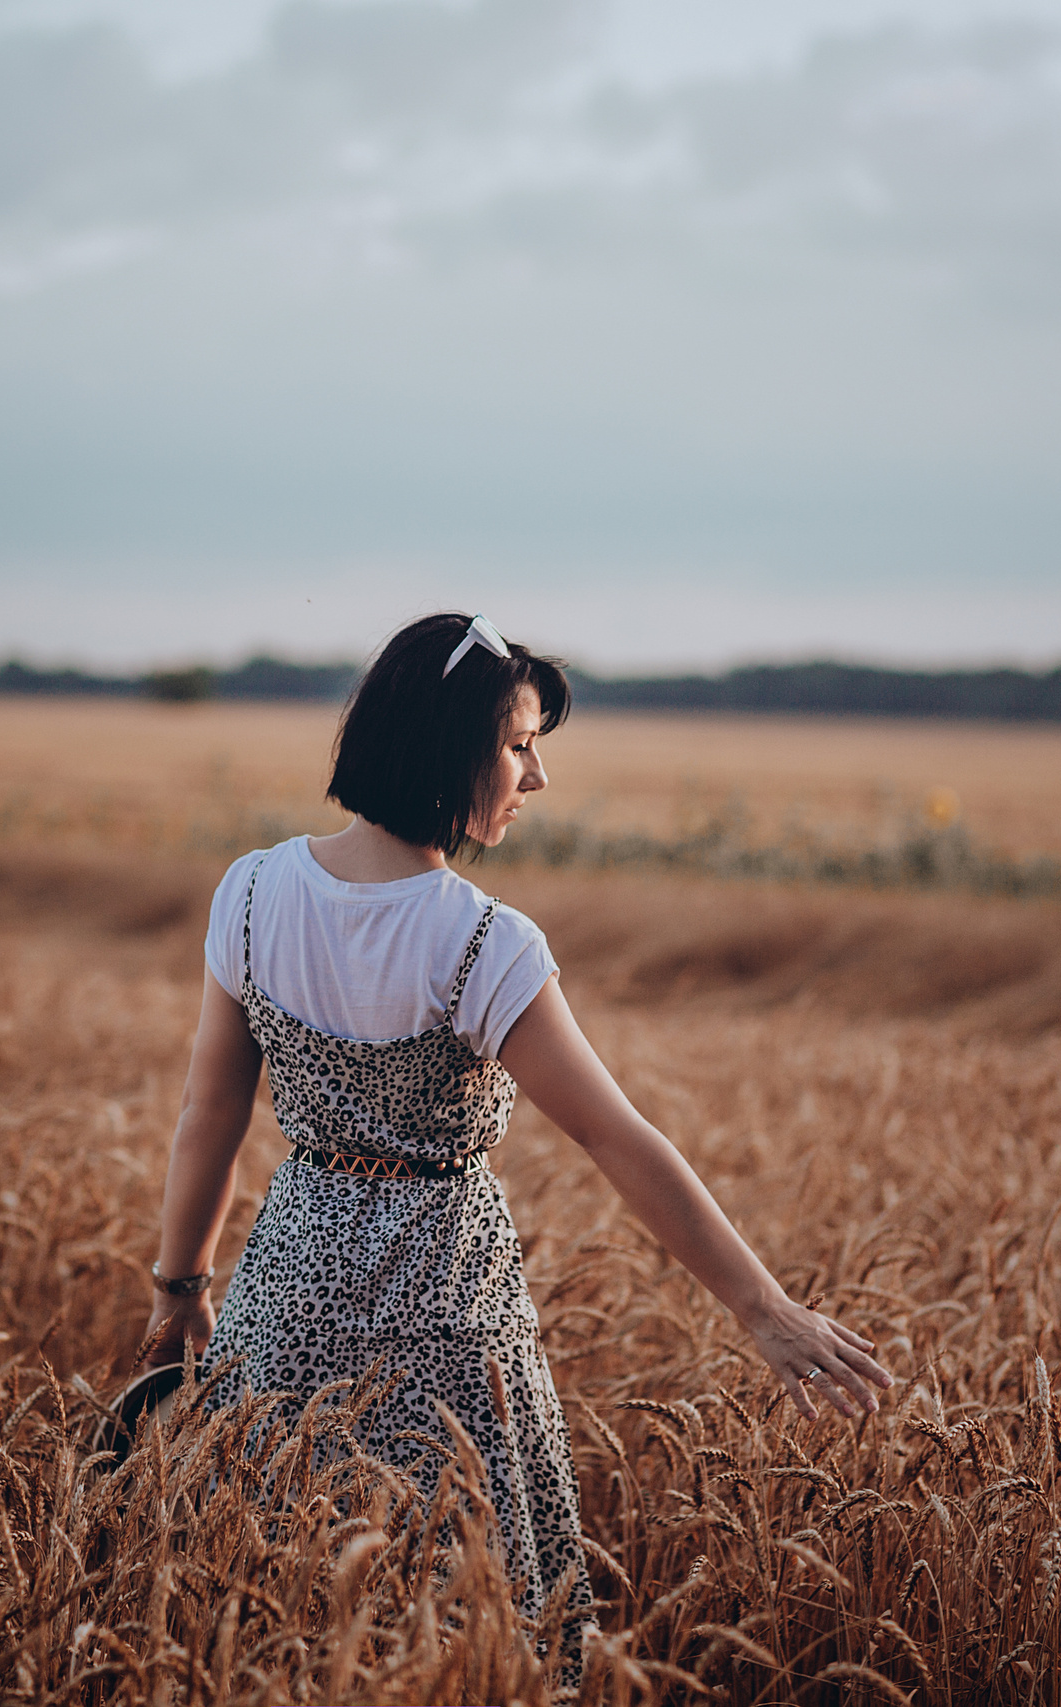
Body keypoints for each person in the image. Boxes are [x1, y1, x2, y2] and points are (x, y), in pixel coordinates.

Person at [137, 611, 893, 1649]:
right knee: (465, 1608)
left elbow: (209, 1112)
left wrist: (180, 1286)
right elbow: (614, 1136)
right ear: (450, 746)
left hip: (282, 1293)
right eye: (521, 743)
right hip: (445, 1316)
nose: (534, 779)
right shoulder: (481, 940)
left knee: (285, 1598)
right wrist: (761, 1307)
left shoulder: (254, 892)